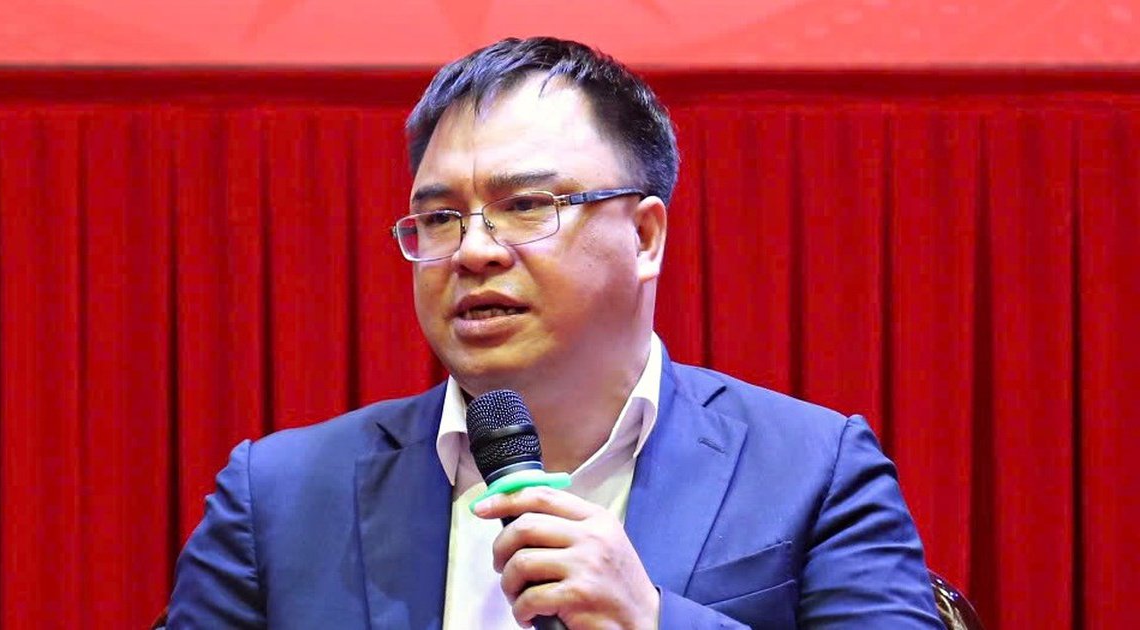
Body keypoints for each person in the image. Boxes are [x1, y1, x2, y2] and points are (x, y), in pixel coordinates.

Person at [168, 37, 944, 629]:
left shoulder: (813, 471)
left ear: (645, 237)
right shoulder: (278, 497)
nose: (473, 250)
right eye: (439, 217)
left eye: (526, 206)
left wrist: (652, 621)